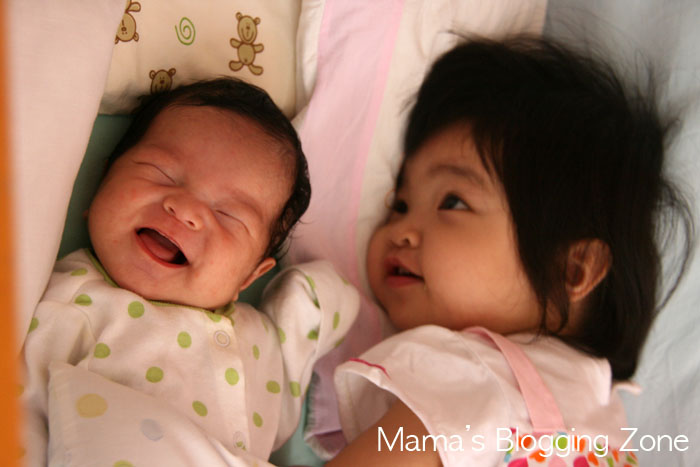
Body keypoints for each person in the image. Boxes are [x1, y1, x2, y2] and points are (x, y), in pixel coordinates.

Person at [330, 36, 694, 466]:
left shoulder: (470, 372)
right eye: (400, 204)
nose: (401, 231)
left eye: (453, 202)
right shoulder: (600, 413)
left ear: (572, 269)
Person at [20, 78, 359, 466]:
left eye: (228, 214)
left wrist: (326, 293)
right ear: (101, 183)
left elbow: (311, 323)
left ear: (249, 276)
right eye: (161, 173)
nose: (185, 209)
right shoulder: (66, 302)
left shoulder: (263, 342)